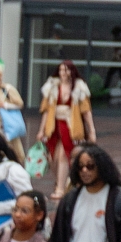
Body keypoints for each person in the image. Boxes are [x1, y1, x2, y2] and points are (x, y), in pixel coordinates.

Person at [35, 60, 92, 194]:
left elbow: (86, 111)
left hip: (70, 126)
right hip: (53, 126)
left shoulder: (79, 87)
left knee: (63, 156)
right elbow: (47, 110)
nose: (63, 73)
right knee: (52, 158)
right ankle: (63, 181)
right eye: (61, 70)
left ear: (71, 71)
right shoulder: (52, 87)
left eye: (66, 70)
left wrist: (92, 130)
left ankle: (60, 189)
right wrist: (41, 130)